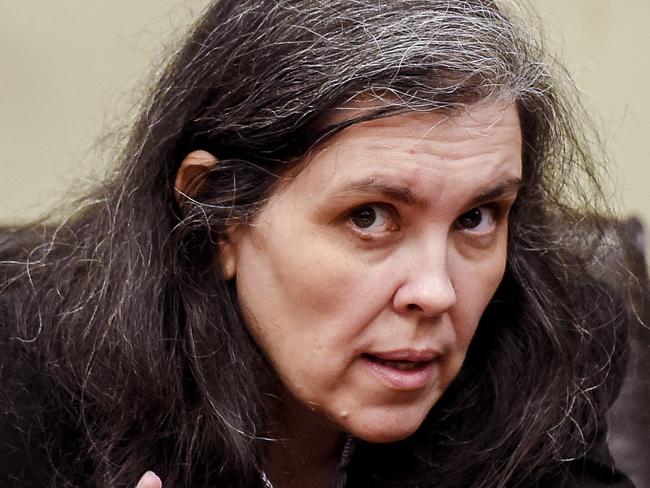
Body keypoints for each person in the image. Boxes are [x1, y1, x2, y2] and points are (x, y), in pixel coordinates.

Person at [0, 1, 640, 487]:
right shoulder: (24, 377)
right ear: (215, 208)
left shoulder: (556, 343)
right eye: (369, 216)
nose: (436, 291)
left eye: (478, 217)